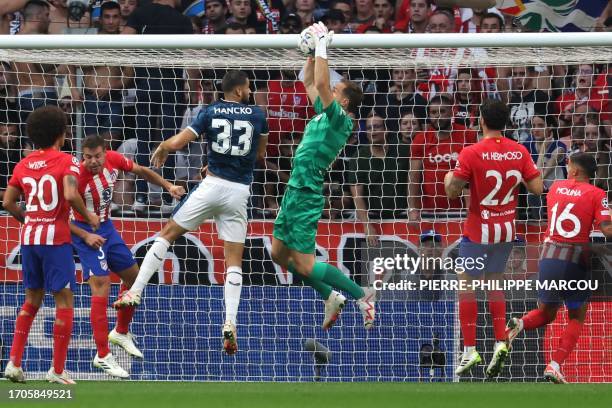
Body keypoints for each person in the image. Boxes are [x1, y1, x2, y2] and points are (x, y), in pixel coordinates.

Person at [114, 71, 268, 357]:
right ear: (237, 91)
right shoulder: (258, 115)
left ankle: (135, 290)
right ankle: (230, 320)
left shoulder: (209, 111)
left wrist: (162, 146)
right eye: (247, 87)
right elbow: (259, 155)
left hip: (211, 186)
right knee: (233, 259)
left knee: (167, 234)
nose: (250, 91)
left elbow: (179, 141)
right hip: (238, 193)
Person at [270, 22, 376, 332]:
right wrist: (309, 53)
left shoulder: (341, 120)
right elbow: (309, 80)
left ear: (343, 101)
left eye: (336, 89)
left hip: (307, 192)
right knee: (278, 254)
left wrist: (321, 47)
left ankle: (361, 295)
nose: (330, 88)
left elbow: (320, 79)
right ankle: (330, 296)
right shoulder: (325, 113)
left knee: (303, 264)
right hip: (294, 189)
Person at [69, 135, 185, 378]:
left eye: (97, 156)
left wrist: (168, 186)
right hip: (84, 233)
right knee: (101, 284)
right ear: (83, 156)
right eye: (87, 157)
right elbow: (62, 217)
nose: (92, 161)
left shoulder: (113, 159)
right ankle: (102, 355)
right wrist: (85, 235)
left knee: (135, 279)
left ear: (105, 153)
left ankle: (120, 331)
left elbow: (142, 170)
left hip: (107, 229)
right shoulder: (75, 178)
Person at [444, 98, 543, 378]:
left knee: (466, 286)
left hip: (479, 230)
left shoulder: (471, 152)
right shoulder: (520, 150)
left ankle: (470, 349)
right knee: (495, 284)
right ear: (507, 123)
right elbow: (536, 188)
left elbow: (452, 192)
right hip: (506, 230)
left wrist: (449, 177)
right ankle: (500, 340)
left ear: (481, 121)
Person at [3, 106, 100, 384]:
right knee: (64, 300)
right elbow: (70, 194)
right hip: (55, 240)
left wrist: (29, 220)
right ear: (62, 134)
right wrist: (89, 214)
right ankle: (57, 371)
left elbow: (9, 202)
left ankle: (13, 362)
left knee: (31, 299)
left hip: (29, 238)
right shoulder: (67, 161)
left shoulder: (23, 164)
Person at [506, 152, 612, 384]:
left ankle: (520, 322)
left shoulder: (555, 187)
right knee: (577, 315)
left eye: (568, 165)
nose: (566, 167)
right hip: (574, 258)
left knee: (546, 313)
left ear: (574, 171)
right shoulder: (597, 194)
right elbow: (607, 230)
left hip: (548, 255)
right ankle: (554, 366)